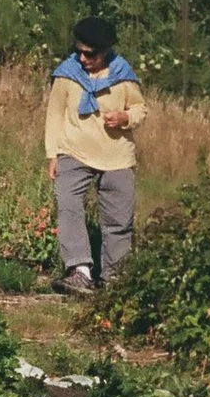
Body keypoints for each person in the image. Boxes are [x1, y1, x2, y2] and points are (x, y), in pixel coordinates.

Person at [44, 15, 147, 294]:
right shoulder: (66, 75)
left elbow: (140, 109)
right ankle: (79, 271)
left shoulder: (123, 75)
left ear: (105, 52)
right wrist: (53, 154)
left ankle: (114, 281)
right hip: (73, 150)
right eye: (78, 51)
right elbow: (55, 115)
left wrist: (125, 117)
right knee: (68, 204)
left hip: (117, 157)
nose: (82, 58)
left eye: (89, 54)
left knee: (118, 221)